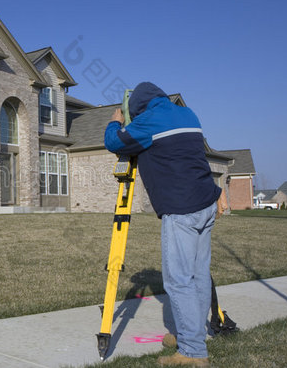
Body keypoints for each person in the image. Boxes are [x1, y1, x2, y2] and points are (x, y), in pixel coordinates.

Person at [104, 82, 226, 367]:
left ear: (137, 109)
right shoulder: (188, 114)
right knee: (198, 276)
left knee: (179, 281)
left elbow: (114, 142)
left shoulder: (147, 122)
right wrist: (220, 193)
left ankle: (192, 353)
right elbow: (195, 159)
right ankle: (190, 336)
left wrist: (114, 122)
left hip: (181, 210)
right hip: (207, 203)